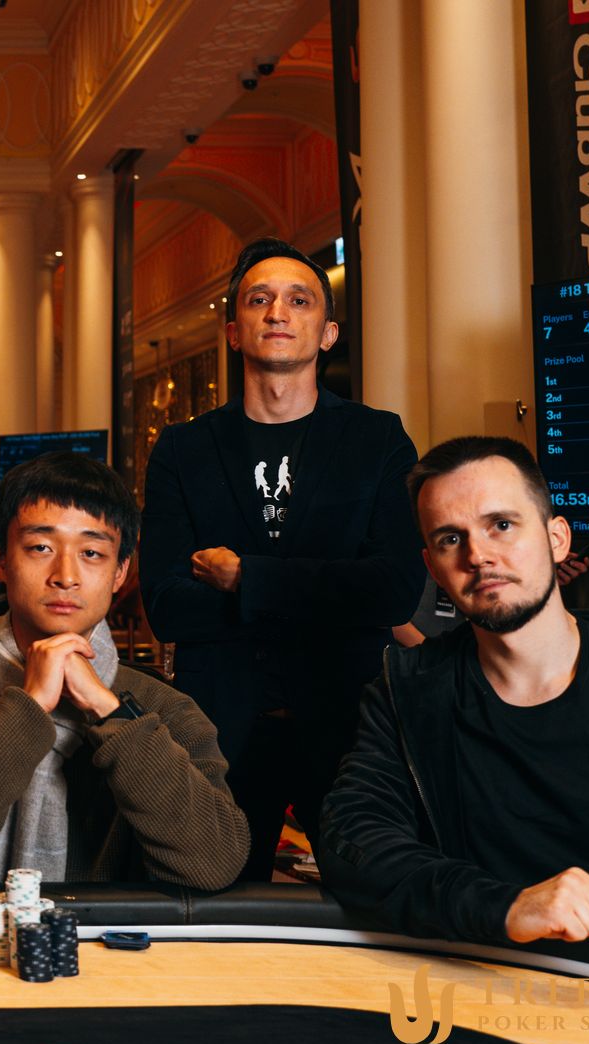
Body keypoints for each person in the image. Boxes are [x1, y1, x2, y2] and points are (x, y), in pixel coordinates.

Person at [320, 436, 589, 945]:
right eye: (450, 539)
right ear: (432, 569)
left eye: (501, 525)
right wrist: (506, 907)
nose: (478, 556)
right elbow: (353, 839)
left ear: (557, 539)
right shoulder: (407, 691)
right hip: (478, 976)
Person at [139, 237, 423, 881]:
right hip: (220, 734)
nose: (277, 313)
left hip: (349, 728)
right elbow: (168, 606)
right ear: (233, 331)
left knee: (369, 906)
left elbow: (392, 590)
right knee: (215, 914)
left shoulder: (376, 439)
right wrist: (326, 593)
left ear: (327, 332)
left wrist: (247, 577)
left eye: (299, 301)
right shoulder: (183, 450)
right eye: (258, 300)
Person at [0, 452, 249, 891]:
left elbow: (214, 864)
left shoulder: (167, 710)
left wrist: (108, 709)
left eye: (91, 553)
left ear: (120, 572)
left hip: (117, 938)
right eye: (41, 548)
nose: (66, 576)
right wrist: (29, 706)